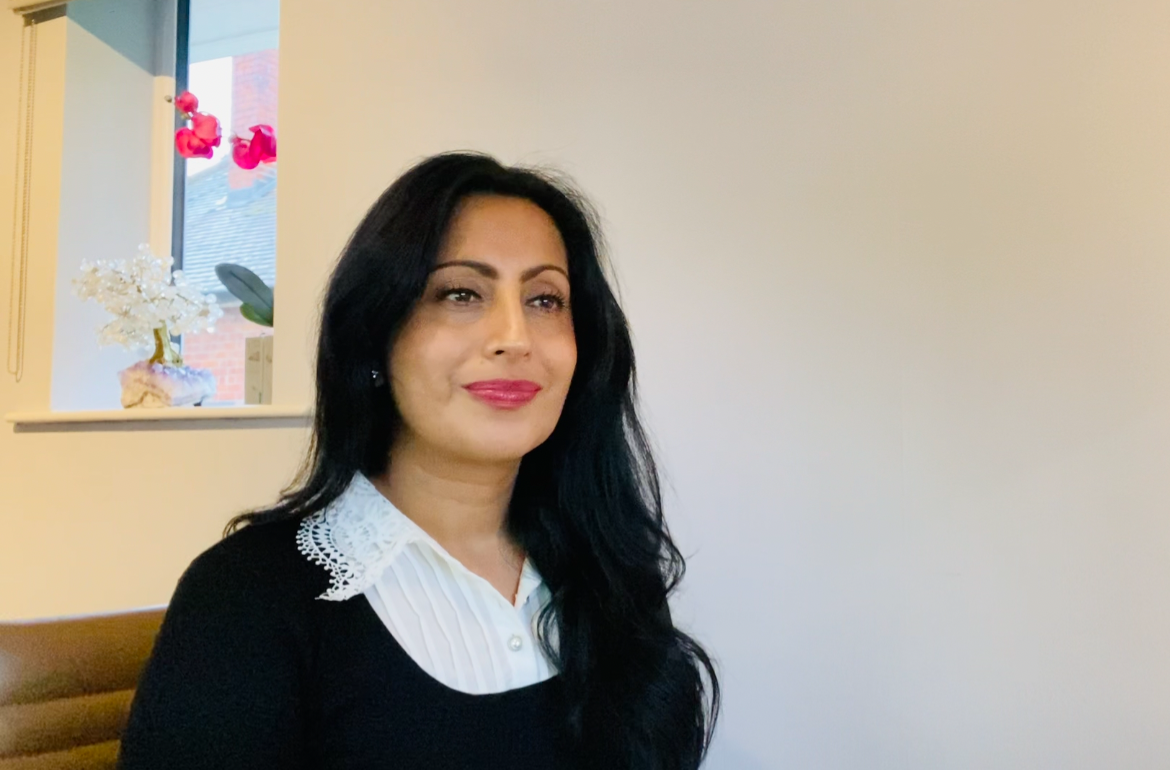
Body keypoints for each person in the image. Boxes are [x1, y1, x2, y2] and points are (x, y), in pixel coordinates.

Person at [118, 152, 720, 769]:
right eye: (461, 293)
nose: (515, 337)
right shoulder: (246, 598)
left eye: (545, 300)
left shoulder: (609, 573)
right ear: (375, 337)